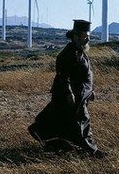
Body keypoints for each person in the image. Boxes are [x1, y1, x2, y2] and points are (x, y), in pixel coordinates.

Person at [28, 19, 105, 157]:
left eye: (88, 36)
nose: (88, 39)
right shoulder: (69, 53)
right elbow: (63, 76)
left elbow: (85, 74)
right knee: (82, 121)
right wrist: (69, 93)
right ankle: (91, 151)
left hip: (80, 94)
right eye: (85, 36)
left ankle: (57, 147)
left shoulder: (80, 51)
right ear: (76, 37)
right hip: (71, 95)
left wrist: (90, 91)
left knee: (62, 121)